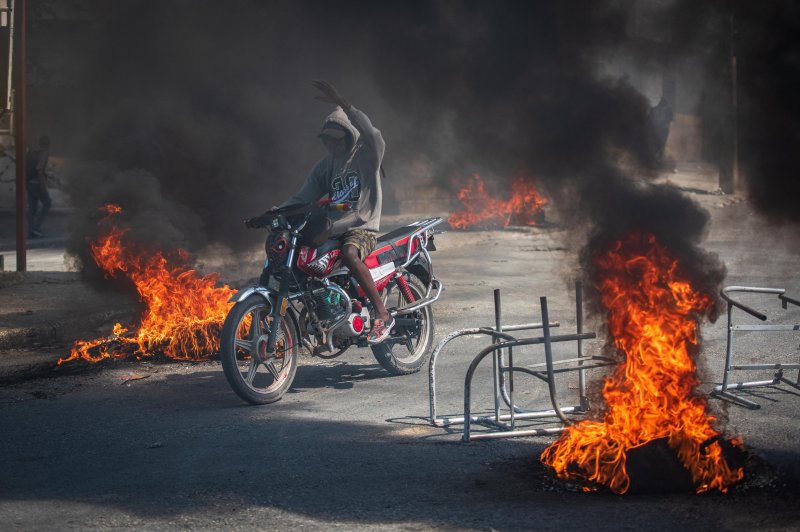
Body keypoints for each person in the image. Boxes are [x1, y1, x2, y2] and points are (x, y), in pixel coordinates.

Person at [278, 80, 393, 344]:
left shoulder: (367, 155)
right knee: (303, 257)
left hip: (360, 228)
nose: (333, 144)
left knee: (350, 254)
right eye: (328, 140)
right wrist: (275, 213)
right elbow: (302, 196)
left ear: (350, 135)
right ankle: (325, 311)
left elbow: (373, 134)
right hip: (333, 227)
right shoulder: (325, 167)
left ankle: (382, 313)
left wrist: (343, 102)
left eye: (338, 139)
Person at [26, 135, 51, 238]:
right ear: (48, 144)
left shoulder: (32, 152)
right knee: (47, 203)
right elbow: (39, 169)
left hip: (29, 182)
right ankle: (36, 226)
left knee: (32, 208)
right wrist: (42, 185)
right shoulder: (44, 153)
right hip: (37, 183)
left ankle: (32, 230)